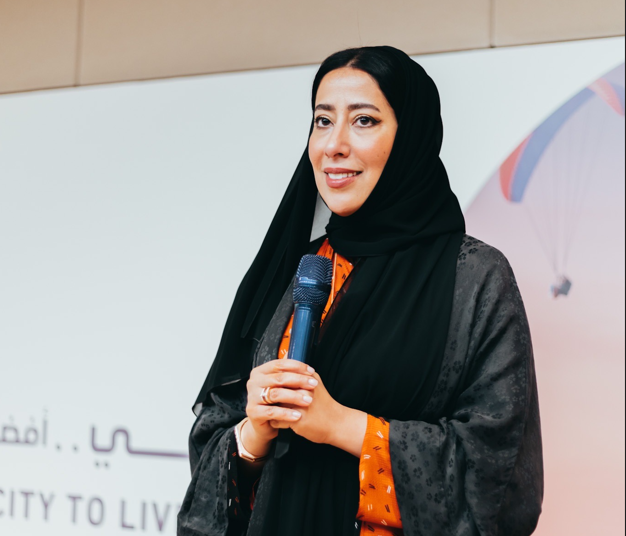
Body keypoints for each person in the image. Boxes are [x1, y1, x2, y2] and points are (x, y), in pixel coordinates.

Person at [177, 46, 543, 536]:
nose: (334, 145)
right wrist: (253, 434)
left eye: (364, 121)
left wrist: (342, 426)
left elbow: (501, 480)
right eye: (323, 121)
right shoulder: (304, 268)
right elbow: (214, 442)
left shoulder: (474, 278)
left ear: (410, 137)